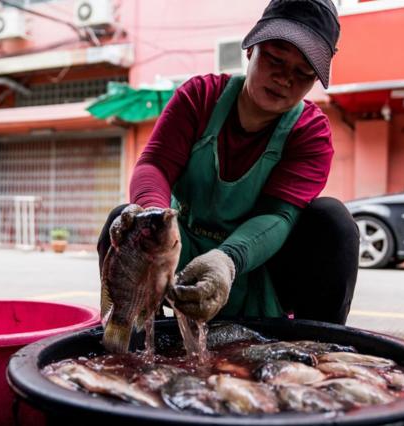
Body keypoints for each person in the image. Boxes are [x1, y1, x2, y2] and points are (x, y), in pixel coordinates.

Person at [98, 0, 359, 325]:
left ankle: (321, 352)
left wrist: (228, 260)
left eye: (303, 73)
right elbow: (155, 165)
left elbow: (278, 216)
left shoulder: (310, 132)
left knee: (332, 223)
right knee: (121, 221)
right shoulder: (199, 97)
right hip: (183, 246)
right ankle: (133, 338)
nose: (284, 79)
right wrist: (154, 219)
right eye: (275, 59)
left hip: (258, 262)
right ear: (250, 49)